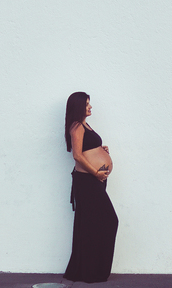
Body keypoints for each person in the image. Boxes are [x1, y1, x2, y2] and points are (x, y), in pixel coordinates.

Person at [63, 91, 119, 283]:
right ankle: (89, 271)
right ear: (79, 106)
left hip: (95, 181)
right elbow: (77, 156)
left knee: (97, 224)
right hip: (87, 181)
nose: (90, 107)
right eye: (87, 104)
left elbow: (87, 149)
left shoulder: (86, 125)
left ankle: (93, 270)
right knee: (107, 221)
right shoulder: (77, 126)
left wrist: (100, 150)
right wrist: (96, 173)